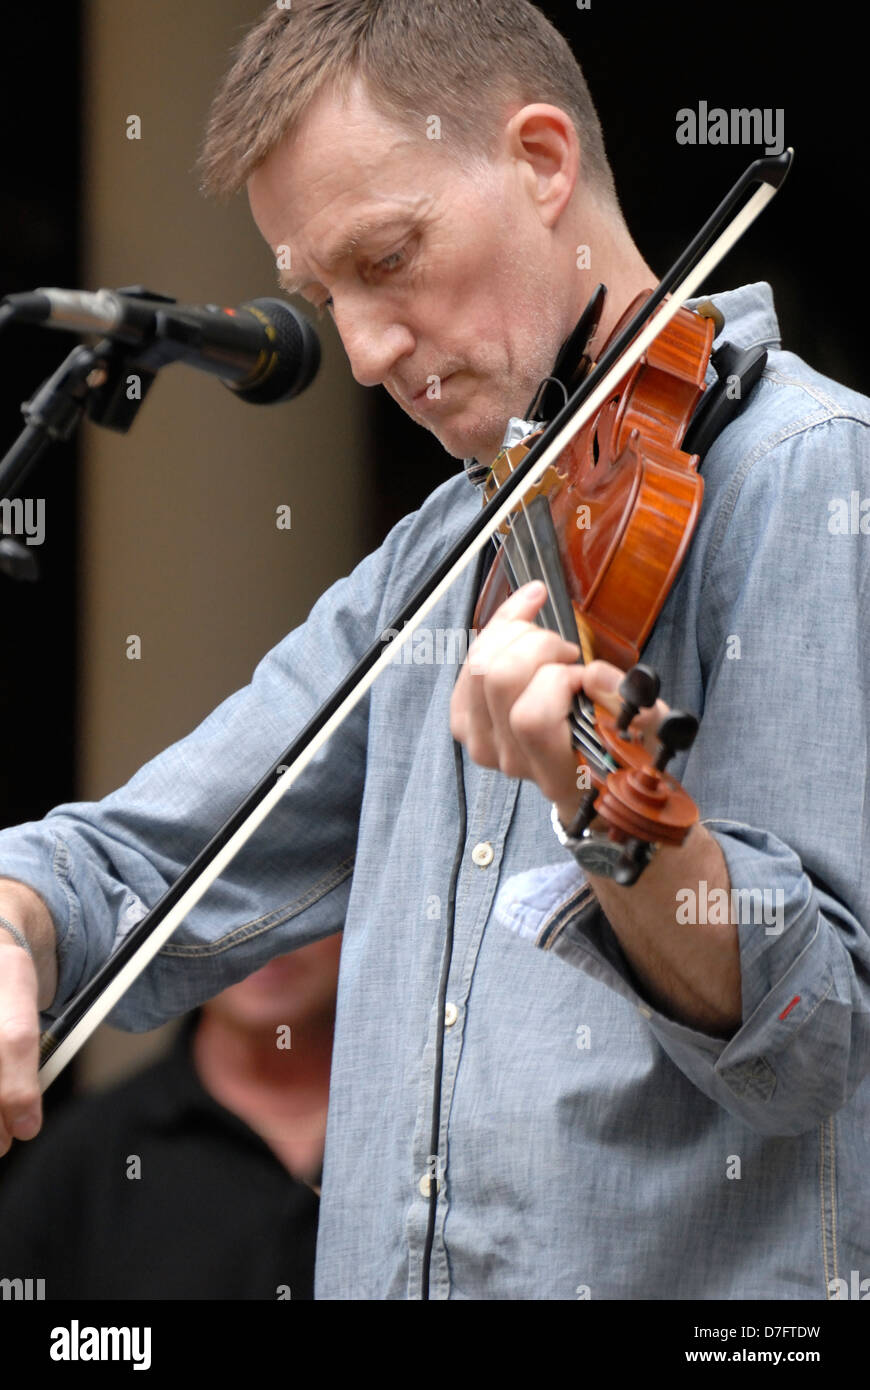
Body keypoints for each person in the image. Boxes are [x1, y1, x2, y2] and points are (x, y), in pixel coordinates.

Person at [0, 0, 868, 1299]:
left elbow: (817, 1042)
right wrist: (14, 920)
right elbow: (126, 859)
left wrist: (610, 814)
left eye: (389, 257)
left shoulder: (807, 477)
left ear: (538, 159)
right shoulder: (439, 555)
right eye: (322, 295)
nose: (359, 352)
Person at [0, 937, 341, 1299]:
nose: (270, 929)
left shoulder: (403, 1139)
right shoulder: (80, 1157)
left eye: (302, 887)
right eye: (231, 892)